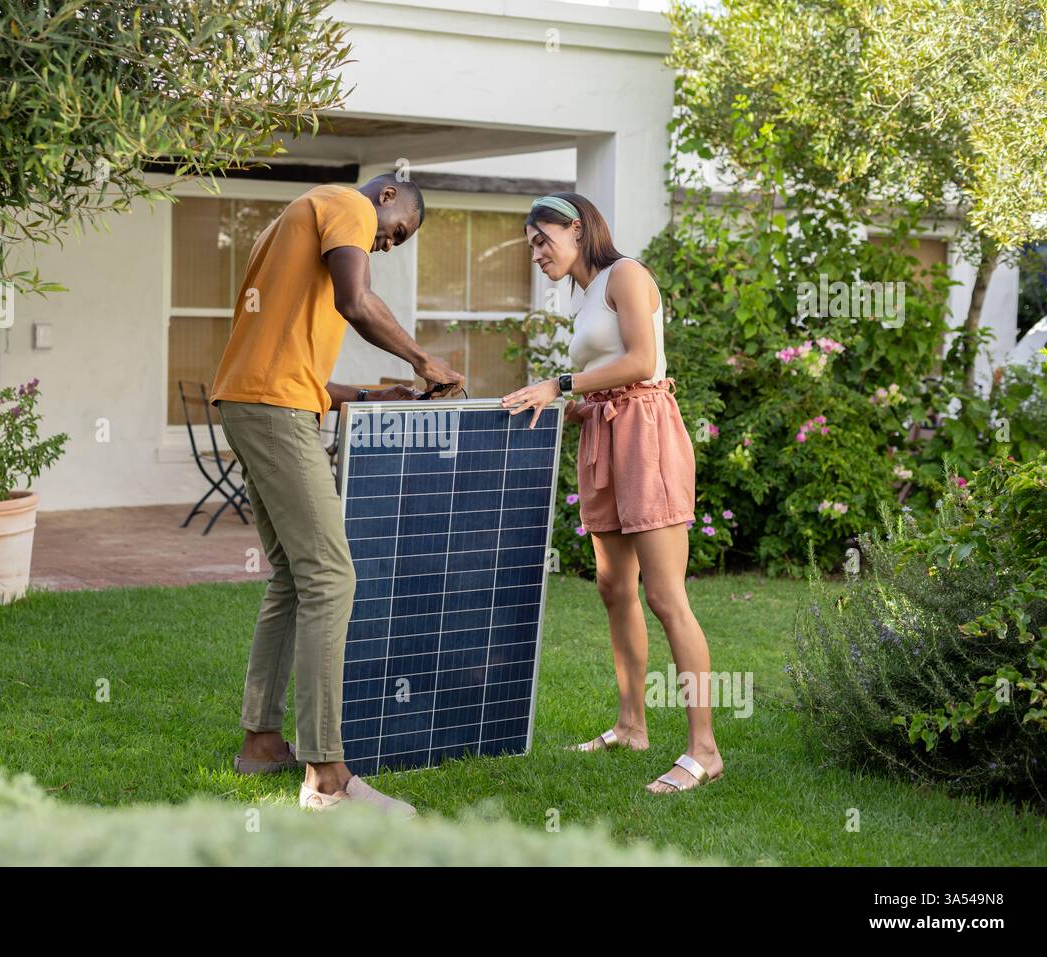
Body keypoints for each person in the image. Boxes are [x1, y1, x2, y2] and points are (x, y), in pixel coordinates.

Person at [210, 174, 465, 814]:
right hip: (275, 414)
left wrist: (367, 395)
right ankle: (327, 777)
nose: (386, 245)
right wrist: (424, 362)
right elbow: (356, 301)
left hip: (255, 402)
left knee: (294, 579)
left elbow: (283, 356)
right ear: (387, 198)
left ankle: (263, 741)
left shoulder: (295, 218)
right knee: (330, 577)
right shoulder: (349, 205)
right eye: (396, 233)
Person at [500, 193, 724, 794]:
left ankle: (704, 749)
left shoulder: (627, 274)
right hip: (604, 433)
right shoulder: (586, 293)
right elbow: (609, 372)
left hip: (646, 434)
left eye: (543, 239)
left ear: (577, 228)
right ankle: (631, 726)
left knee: (665, 596)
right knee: (613, 587)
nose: (537, 253)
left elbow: (642, 360)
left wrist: (559, 382)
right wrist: (568, 407)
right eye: (530, 246)